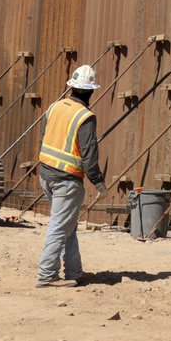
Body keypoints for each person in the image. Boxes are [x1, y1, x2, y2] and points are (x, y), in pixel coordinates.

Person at [35, 65, 107, 288]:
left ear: (73, 87)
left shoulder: (54, 107)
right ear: (91, 91)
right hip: (66, 180)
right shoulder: (85, 116)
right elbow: (89, 154)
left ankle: (74, 271)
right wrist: (99, 182)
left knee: (68, 225)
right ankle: (47, 275)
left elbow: (43, 140)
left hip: (46, 174)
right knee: (59, 226)